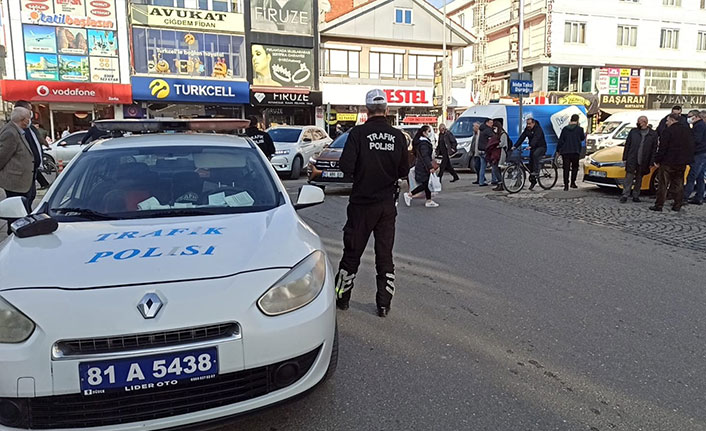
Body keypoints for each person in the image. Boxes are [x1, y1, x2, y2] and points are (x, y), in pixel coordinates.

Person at [335, 89, 409, 317]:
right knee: (384, 254)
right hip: (387, 205)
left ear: (366, 111)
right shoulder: (397, 136)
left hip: (361, 204)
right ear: (387, 110)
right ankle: (383, 304)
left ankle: (342, 299)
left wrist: (363, 172)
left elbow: (345, 166)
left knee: (352, 252)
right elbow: (404, 170)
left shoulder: (357, 134)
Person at [650, 114, 695, 212]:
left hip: (668, 162)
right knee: (679, 184)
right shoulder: (687, 131)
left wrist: (657, 160)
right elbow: (691, 146)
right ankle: (677, 205)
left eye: (667, 120)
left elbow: (663, 148)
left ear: (672, 120)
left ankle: (659, 205)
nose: (666, 123)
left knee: (663, 184)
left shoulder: (668, 131)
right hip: (681, 162)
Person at [0, 107, 35, 233]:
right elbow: (2, 156)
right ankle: (14, 234)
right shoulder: (10, 132)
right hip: (15, 182)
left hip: (23, 181)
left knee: (23, 212)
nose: (29, 121)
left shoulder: (18, 130)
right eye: (28, 118)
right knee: (16, 214)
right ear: (23, 120)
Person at [620, 116, 657, 203]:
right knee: (629, 177)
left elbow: (654, 149)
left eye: (639, 121)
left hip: (644, 159)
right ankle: (625, 194)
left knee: (639, 178)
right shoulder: (633, 132)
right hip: (632, 158)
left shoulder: (652, 134)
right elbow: (627, 144)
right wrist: (625, 157)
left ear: (644, 122)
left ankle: (636, 195)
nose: (638, 123)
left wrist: (651, 161)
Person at [14, 101, 49, 190]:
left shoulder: (30, 128)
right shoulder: (14, 131)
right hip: (22, 175)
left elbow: (38, 140)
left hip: (32, 171)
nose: (31, 113)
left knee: (30, 196)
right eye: (29, 110)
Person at [404, 125, 439, 208]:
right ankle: (410, 195)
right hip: (423, 166)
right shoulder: (424, 144)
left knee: (426, 183)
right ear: (424, 133)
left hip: (421, 165)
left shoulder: (421, 142)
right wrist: (430, 167)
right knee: (425, 184)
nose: (430, 133)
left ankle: (429, 200)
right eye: (428, 131)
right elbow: (425, 156)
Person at [514, 116, 547, 191]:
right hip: (533, 148)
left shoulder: (538, 129)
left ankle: (536, 171)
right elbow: (522, 138)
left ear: (533, 123)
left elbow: (536, 138)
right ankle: (533, 181)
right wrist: (515, 146)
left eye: (529, 124)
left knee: (535, 155)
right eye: (527, 124)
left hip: (541, 147)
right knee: (530, 164)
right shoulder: (527, 129)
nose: (528, 125)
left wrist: (531, 145)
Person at [682, 110, 706, 205]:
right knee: (699, 176)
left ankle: (684, 197)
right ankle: (699, 197)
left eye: (690, 116)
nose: (688, 118)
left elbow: (696, 140)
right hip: (702, 153)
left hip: (699, 153)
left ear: (696, 117)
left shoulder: (699, 126)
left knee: (692, 176)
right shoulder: (700, 125)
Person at [556, 114, 585, 191]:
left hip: (566, 151)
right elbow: (582, 138)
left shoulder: (565, 129)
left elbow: (561, 140)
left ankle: (566, 185)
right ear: (577, 120)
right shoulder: (580, 129)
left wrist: (558, 150)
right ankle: (573, 182)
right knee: (575, 167)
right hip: (575, 151)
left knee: (566, 168)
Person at [476, 118, 494, 187]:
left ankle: (481, 181)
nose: (492, 124)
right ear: (487, 123)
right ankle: (494, 179)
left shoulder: (481, 129)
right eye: (491, 123)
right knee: (493, 165)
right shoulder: (488, 130)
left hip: (480, 150)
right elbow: (492, 138)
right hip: (486, 150)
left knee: (482, 167)